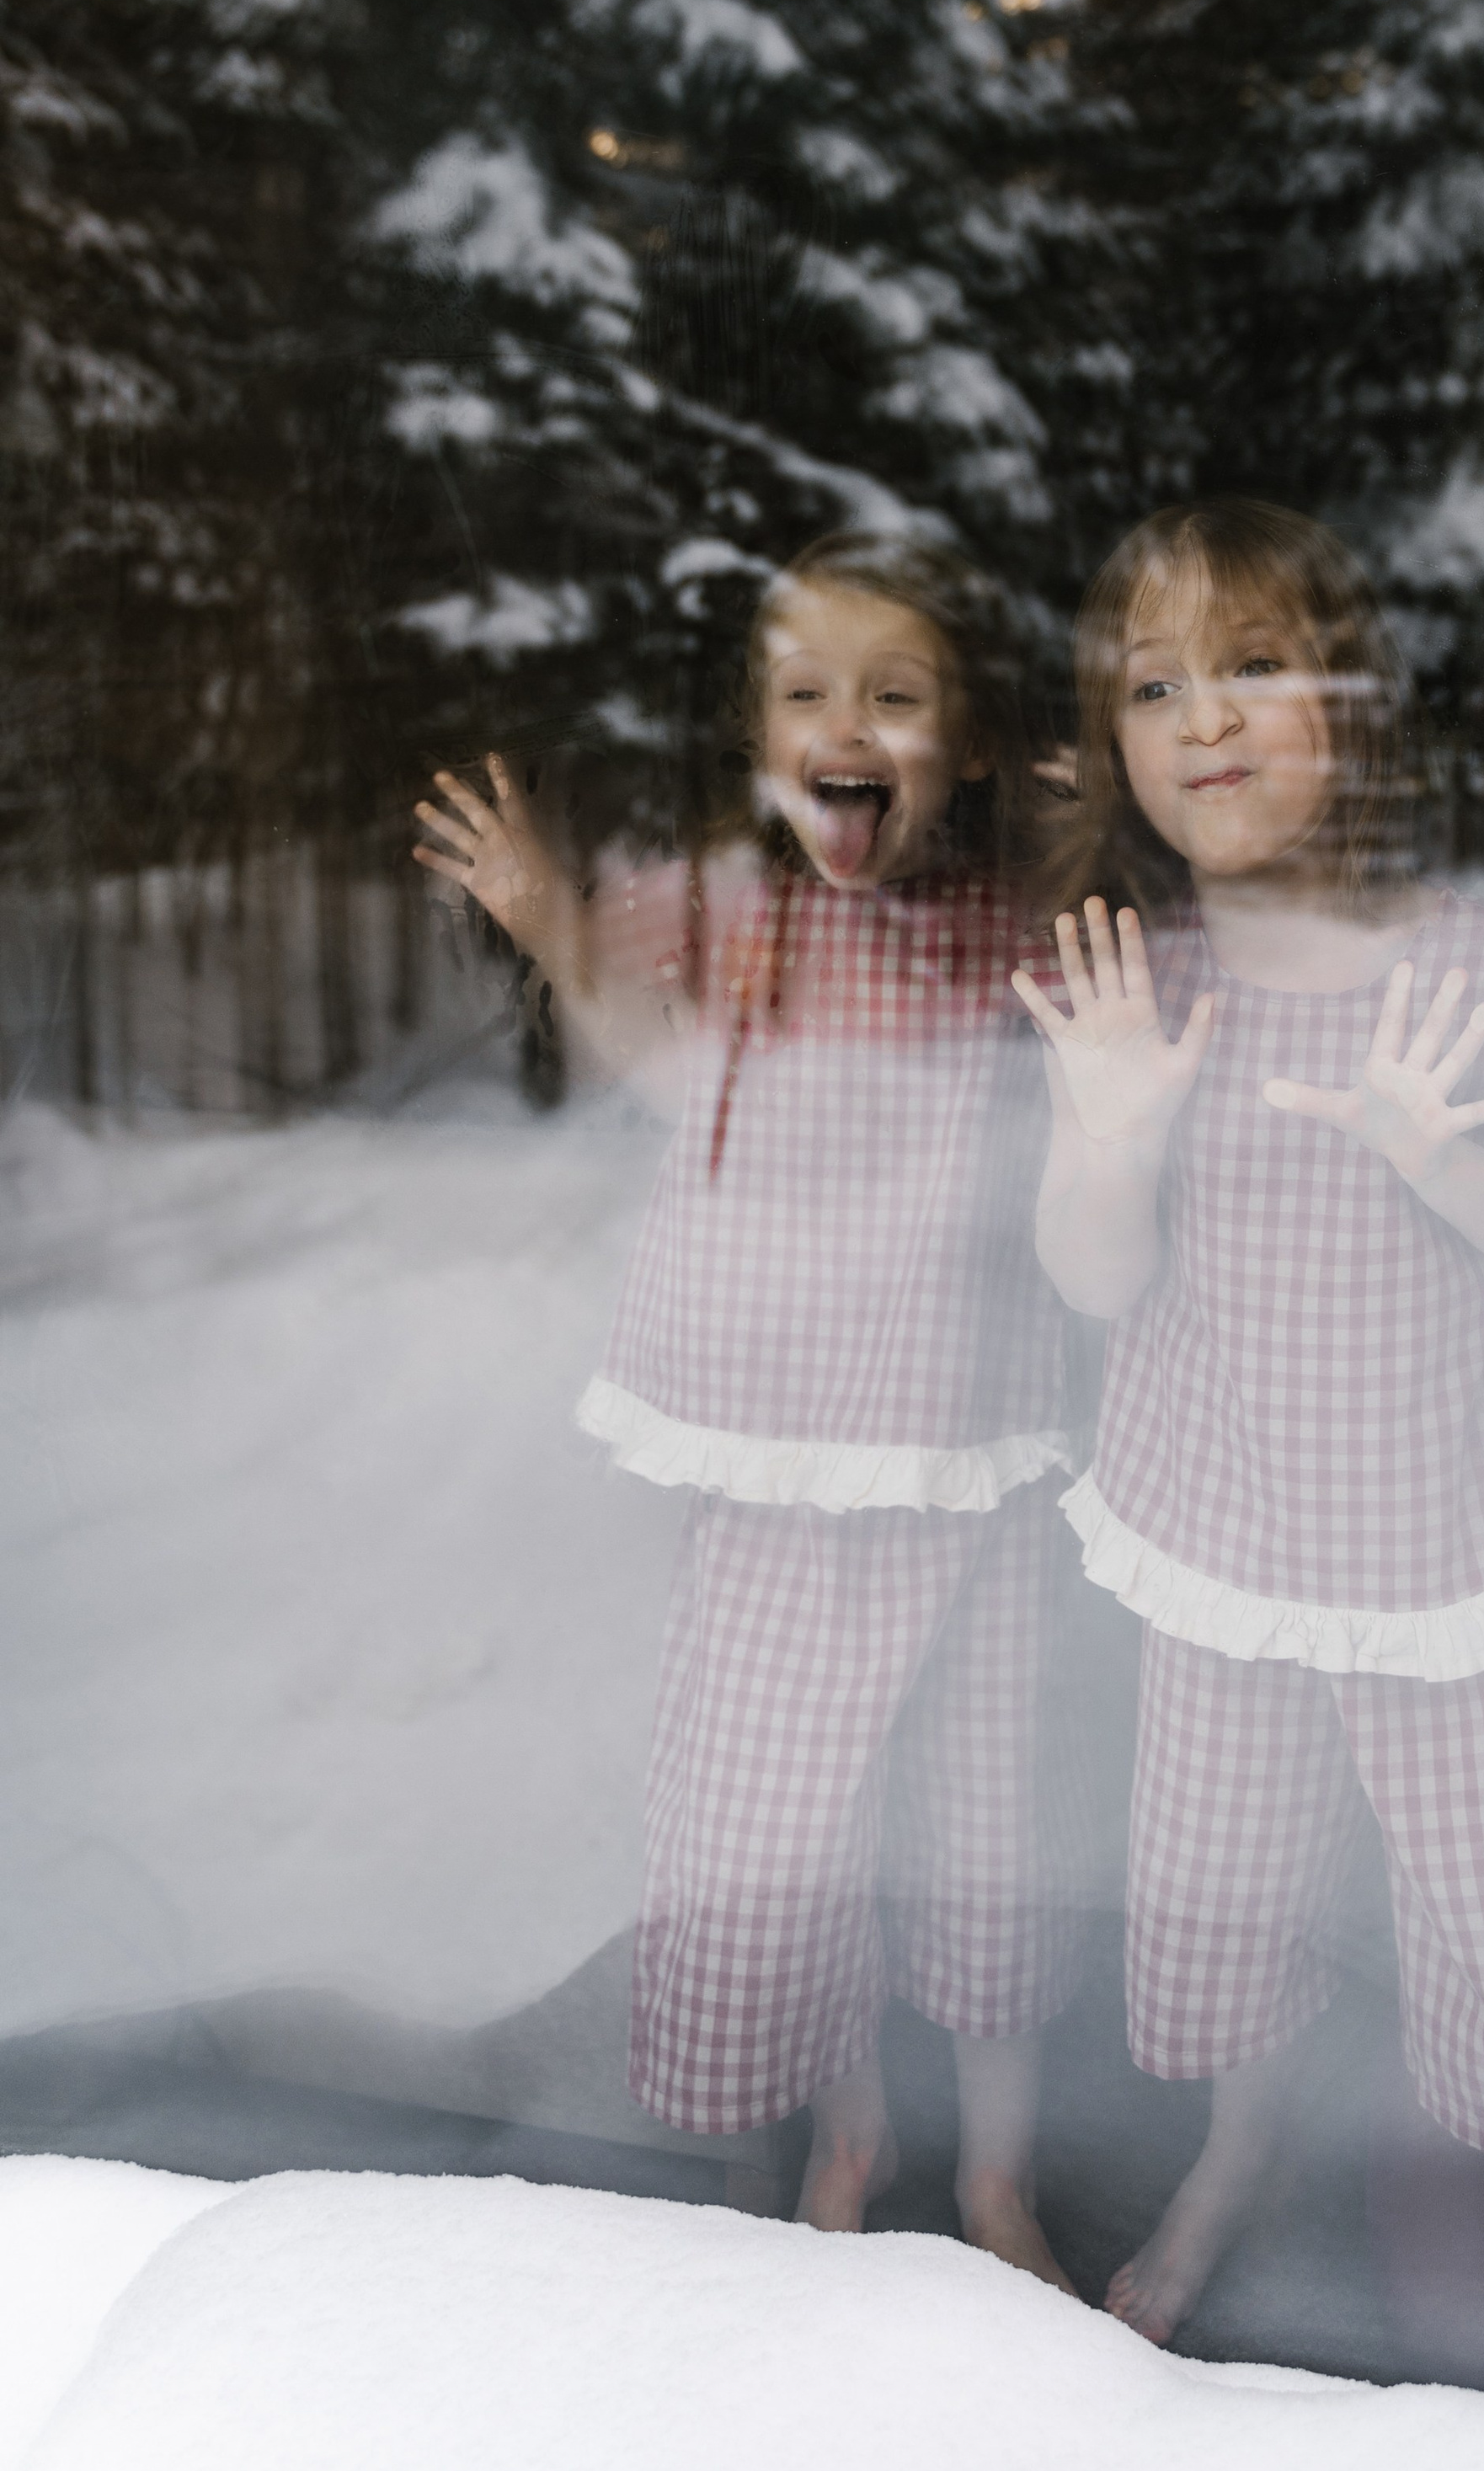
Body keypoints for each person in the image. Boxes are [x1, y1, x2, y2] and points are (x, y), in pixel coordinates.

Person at [1012, 497, 1484, 2367]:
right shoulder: (1141, 984)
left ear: (1348, 697)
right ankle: (1235, 2163)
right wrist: (1111, 1136)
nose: (1203, 717)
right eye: (1153, 687)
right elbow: (1094, 1283)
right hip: (1235, 1542)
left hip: (1462, 1551)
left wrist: (1441, 1161)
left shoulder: (1471, 964)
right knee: (1235, 1904)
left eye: (1252, 665)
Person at [413, 528, 1084, 2291]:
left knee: (988, 1833)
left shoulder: (1000, 920)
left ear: (965, 742)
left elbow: (1117, 968)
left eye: (895, 696)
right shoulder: (724, 910)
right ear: (759, 738)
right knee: (789, 1819)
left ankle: (999, 2172)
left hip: (969, 1448)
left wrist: (1094, 814)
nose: (843, 727)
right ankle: (848, 2126)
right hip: (785, 1458)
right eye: (806, 695)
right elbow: (644, 1056)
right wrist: (541, 910)